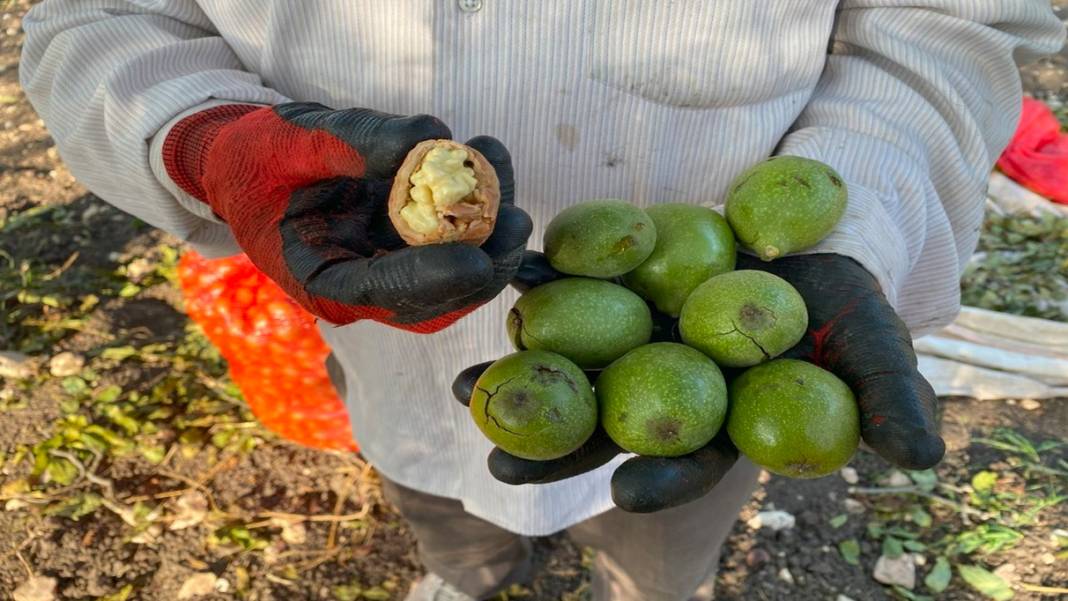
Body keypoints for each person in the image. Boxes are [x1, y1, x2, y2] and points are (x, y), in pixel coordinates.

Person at [20, 2, 1064, 600]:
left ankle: (658, 586)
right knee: (432, 485)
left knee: (668, 526)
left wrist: (860, 212)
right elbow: (99, 17)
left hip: (725, 309)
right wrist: (204, 138)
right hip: (372, 312)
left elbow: (946, 21)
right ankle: (465, 573)